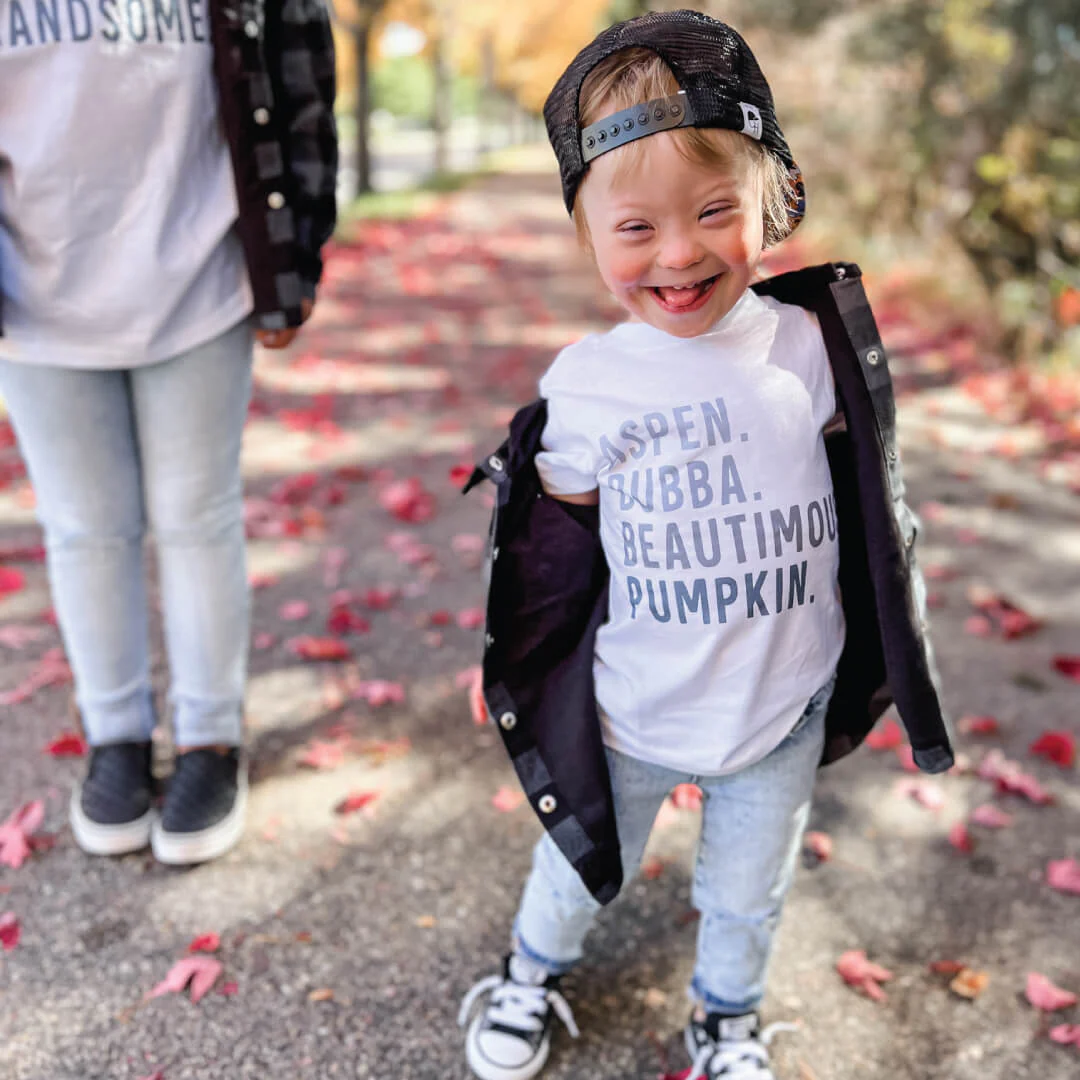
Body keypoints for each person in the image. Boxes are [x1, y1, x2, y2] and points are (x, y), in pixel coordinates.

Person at [457, 11, 952, 1080]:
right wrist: (512, 661)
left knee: (746, 889)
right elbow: (552, 557)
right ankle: (531, 968)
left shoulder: (811, 347)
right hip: (634, 707)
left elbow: (867, 496)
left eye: (715, 211)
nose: (680, 253)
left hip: (779, 706)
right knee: (581, 861)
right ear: (586, 234)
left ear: (770, 202)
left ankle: (725, 1017)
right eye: (636, 230)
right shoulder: (589, 386)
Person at [0, 0, 338, 864]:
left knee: (198, 519)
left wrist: (293, 261)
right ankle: (115, 738)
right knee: (84, 528)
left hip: (203, 278)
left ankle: (209, 742)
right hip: (35, 297)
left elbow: (301, 87)